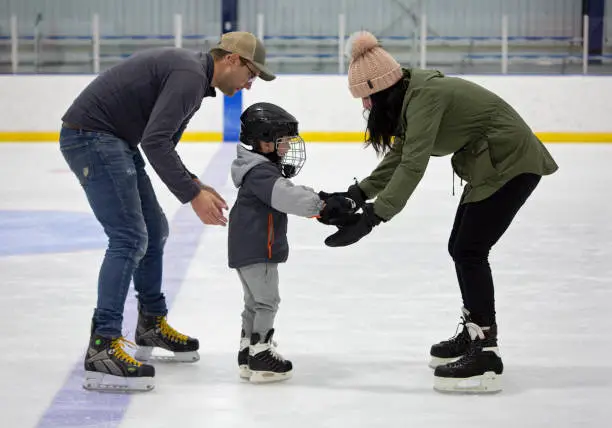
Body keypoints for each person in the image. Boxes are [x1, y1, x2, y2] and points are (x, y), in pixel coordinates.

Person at [321, 31, 558, 393]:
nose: (366, 108)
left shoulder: (424, 97)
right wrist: (357, 195)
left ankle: (485, 351)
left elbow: (413, 166)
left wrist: (373, 217)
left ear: (381, 89)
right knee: (461, 248)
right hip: (491, 167)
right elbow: (401, 155)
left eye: (366, 98)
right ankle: (475, 332)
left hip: (511, 165)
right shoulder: (411, 96)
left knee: (469, 250)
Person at [59, 31, 275, 392]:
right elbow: (155, 142)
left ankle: (151, 323)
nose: (250, 85)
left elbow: (162, 143)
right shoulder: (190, 76)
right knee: (129, 236)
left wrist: (193, 182)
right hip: (92, 136)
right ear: (232, 60)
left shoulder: (196, 80)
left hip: (114, 139)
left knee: (154, 229)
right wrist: (192, 193)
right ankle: (103, 344)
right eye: (251, 74)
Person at [228, 102, 353, 383]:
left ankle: (247, 352)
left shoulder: (256, 170)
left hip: (246, 248)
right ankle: (261, 355)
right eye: (281, 141)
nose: (286, 148)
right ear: (262, 141)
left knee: (254, 303)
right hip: (258, 248)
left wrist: (320, 197)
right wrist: (321, 205)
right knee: (267, 302)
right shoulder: (260, 174)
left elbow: (287, 191)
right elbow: (287, 197)